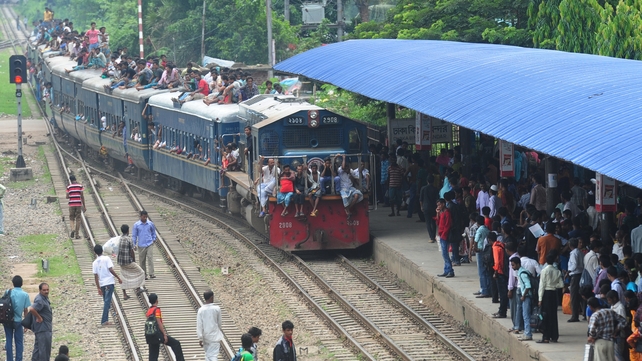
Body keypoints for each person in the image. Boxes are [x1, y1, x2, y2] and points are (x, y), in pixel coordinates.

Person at [147, 293, 185, 361]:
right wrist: (164, 335)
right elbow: (159, 323)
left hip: (150, 335)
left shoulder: (149, 311)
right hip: (158, 334)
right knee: (176, 344)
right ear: (157, 300)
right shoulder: (156, 310)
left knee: (153, 354)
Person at [587, 297, 627, 361]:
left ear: (591, 307)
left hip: (600, 342)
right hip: (611, 342)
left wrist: (591, 337)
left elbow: (592, 330)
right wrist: (616, 330)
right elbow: (624, 321)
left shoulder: (595, 315)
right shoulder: (610, 311)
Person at [92, 244, 123, 326]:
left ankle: (106, 319)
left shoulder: (94, 263)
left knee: (106, 301)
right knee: (107, 302)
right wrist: (118, 277)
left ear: (95, 252)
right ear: (102, 250)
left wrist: (98, 287)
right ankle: (104, 320)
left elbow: (96, 276)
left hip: (102, 284)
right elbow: (110, 269)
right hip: (109, 282)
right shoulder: (107, 259)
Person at [538, 251, 564, 343]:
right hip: (553, 294)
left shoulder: (544, 271)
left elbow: (542, 285)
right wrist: (554, 285)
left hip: (546, 294)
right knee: (553, 315)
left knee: (545, 315)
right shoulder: (557, 271)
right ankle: (554, 336)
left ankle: (546, 336)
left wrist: (540, 298)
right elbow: (561, 285)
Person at [3, 275, 31, 361]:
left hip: (7, 320)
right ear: (22, 284)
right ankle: (19, 359)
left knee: (8, 340)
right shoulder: (25, 295)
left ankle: (9, 359)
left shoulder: (8, 292)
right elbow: (25, 310)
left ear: (13, 283)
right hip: (18, 321)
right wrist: (26, 324)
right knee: (19, 342)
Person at [117, 224, 146, 300]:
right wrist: (134, 261)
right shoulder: (129, 239)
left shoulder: (119, 238)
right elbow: (131, 251)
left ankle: (124, 295)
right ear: (127, 231)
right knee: (141, 272)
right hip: (128, 262)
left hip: (121, 262)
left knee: (123, 276)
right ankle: (138, 288)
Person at [28, 283, 53, 361]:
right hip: (43, 329)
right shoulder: (40, 299)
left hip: (43, 329)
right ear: (40, 290)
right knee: (44, 352)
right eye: (44, 290)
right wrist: (39, 317)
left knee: (38, 351)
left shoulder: (44, 298)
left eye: (47, 290)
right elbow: (32, 309)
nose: (46, 291)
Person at [196, 290, 223, 361]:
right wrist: (218, 330)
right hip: (214, 336)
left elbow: (199, 325)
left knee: (208, 355)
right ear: (211, 298)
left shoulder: (201, 310)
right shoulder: (217, 309)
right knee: (213, 355)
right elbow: (219, 323)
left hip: (205, 337)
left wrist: (200, 338)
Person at [132, 210, 157, 280]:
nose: (145, 218)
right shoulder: (136, 225)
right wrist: (134, 244)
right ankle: (144, 274)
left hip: (149, 243)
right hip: (141, 245)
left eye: (146, 217)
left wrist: (154, 238)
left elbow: (153, 232)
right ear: (140, 217)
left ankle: (151, 274)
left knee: (150, 258)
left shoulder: (150, 224)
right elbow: (134, 235)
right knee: (142, 260)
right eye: (144, 217)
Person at [337, 154, 363, 219]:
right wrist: (344, 158)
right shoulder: (340, 170)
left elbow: (355, 179)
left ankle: (348, 209)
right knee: (345, 198)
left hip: (351, 188)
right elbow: (343, 167)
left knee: (357, 196)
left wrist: (350, 175)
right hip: (343, 188)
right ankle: (348, 212)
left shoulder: (351, 171)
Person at [435, 198, 454, 278]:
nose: (438, 206)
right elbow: (438, 222)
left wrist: (443, 235)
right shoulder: (442, 212)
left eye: (439, 204)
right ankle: (446, 270)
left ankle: (450, 270)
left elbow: (447, 225)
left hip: (444, 235)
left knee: (445, 254)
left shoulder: (447, 213)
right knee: (444, 253)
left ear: (443, 204)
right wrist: (438, 213)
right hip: (441, 234)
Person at [567, 238, 584, 322]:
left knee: (574, 296)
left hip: (575, 275)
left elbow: (574, 264)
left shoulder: (574, 253)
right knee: (580, 295)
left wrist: (568, 271)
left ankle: (575, 315)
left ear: (570, 245)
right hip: (580, 274)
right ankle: (583, 312)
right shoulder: (580, 252)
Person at [420, 174, 439, 243]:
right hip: (433, 207)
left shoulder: (423, 188)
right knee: (433, 222)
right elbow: (437, 199)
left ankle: (431, 237)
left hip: (426, 207)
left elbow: (421, 199)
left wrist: (421, 206)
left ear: (427, 181)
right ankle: (433, 236)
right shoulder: (435, 189)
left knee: (428, 222)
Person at [66, 175, 85, 239]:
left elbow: (67, 197)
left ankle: (72, 229)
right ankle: (77, 235)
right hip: (78, 204)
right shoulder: (80, 186)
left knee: (71, 218)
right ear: (75, 179)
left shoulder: (69, 187)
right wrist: (84, 206)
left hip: (71, 204)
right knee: (78, 219)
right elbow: (82, 196)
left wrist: (71, 195)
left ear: (70, 180)